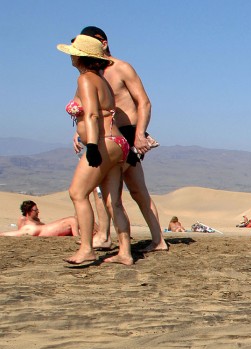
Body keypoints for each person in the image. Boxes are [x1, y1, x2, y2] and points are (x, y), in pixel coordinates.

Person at [77, 26, 167, 255]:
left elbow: (144, 103)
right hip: (107, 134)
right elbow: (91, 109)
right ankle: (153, 240)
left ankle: (108, 238)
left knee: (106, 188)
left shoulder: (121, 68)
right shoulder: (94, 74)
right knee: (134, 190)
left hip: (127, 133)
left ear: (103, 43)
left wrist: (140, 134)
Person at [58, 35, 133, 266]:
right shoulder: (102, 80)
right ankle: (125, 253)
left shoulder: (86, 80)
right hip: (117, 142)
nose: (70, 55)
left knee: (78, 193)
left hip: (103, 141)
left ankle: (86, 249)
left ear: (81, 57)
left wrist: (91, 145)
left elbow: (91, 113)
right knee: (114, 202)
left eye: (73, 51)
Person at [2, 200, 80, 237]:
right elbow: (20, 233)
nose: (38, 212)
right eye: (35, 210)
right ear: (28, 211)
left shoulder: (37, 221)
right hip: (32, 232)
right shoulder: (23, 219)